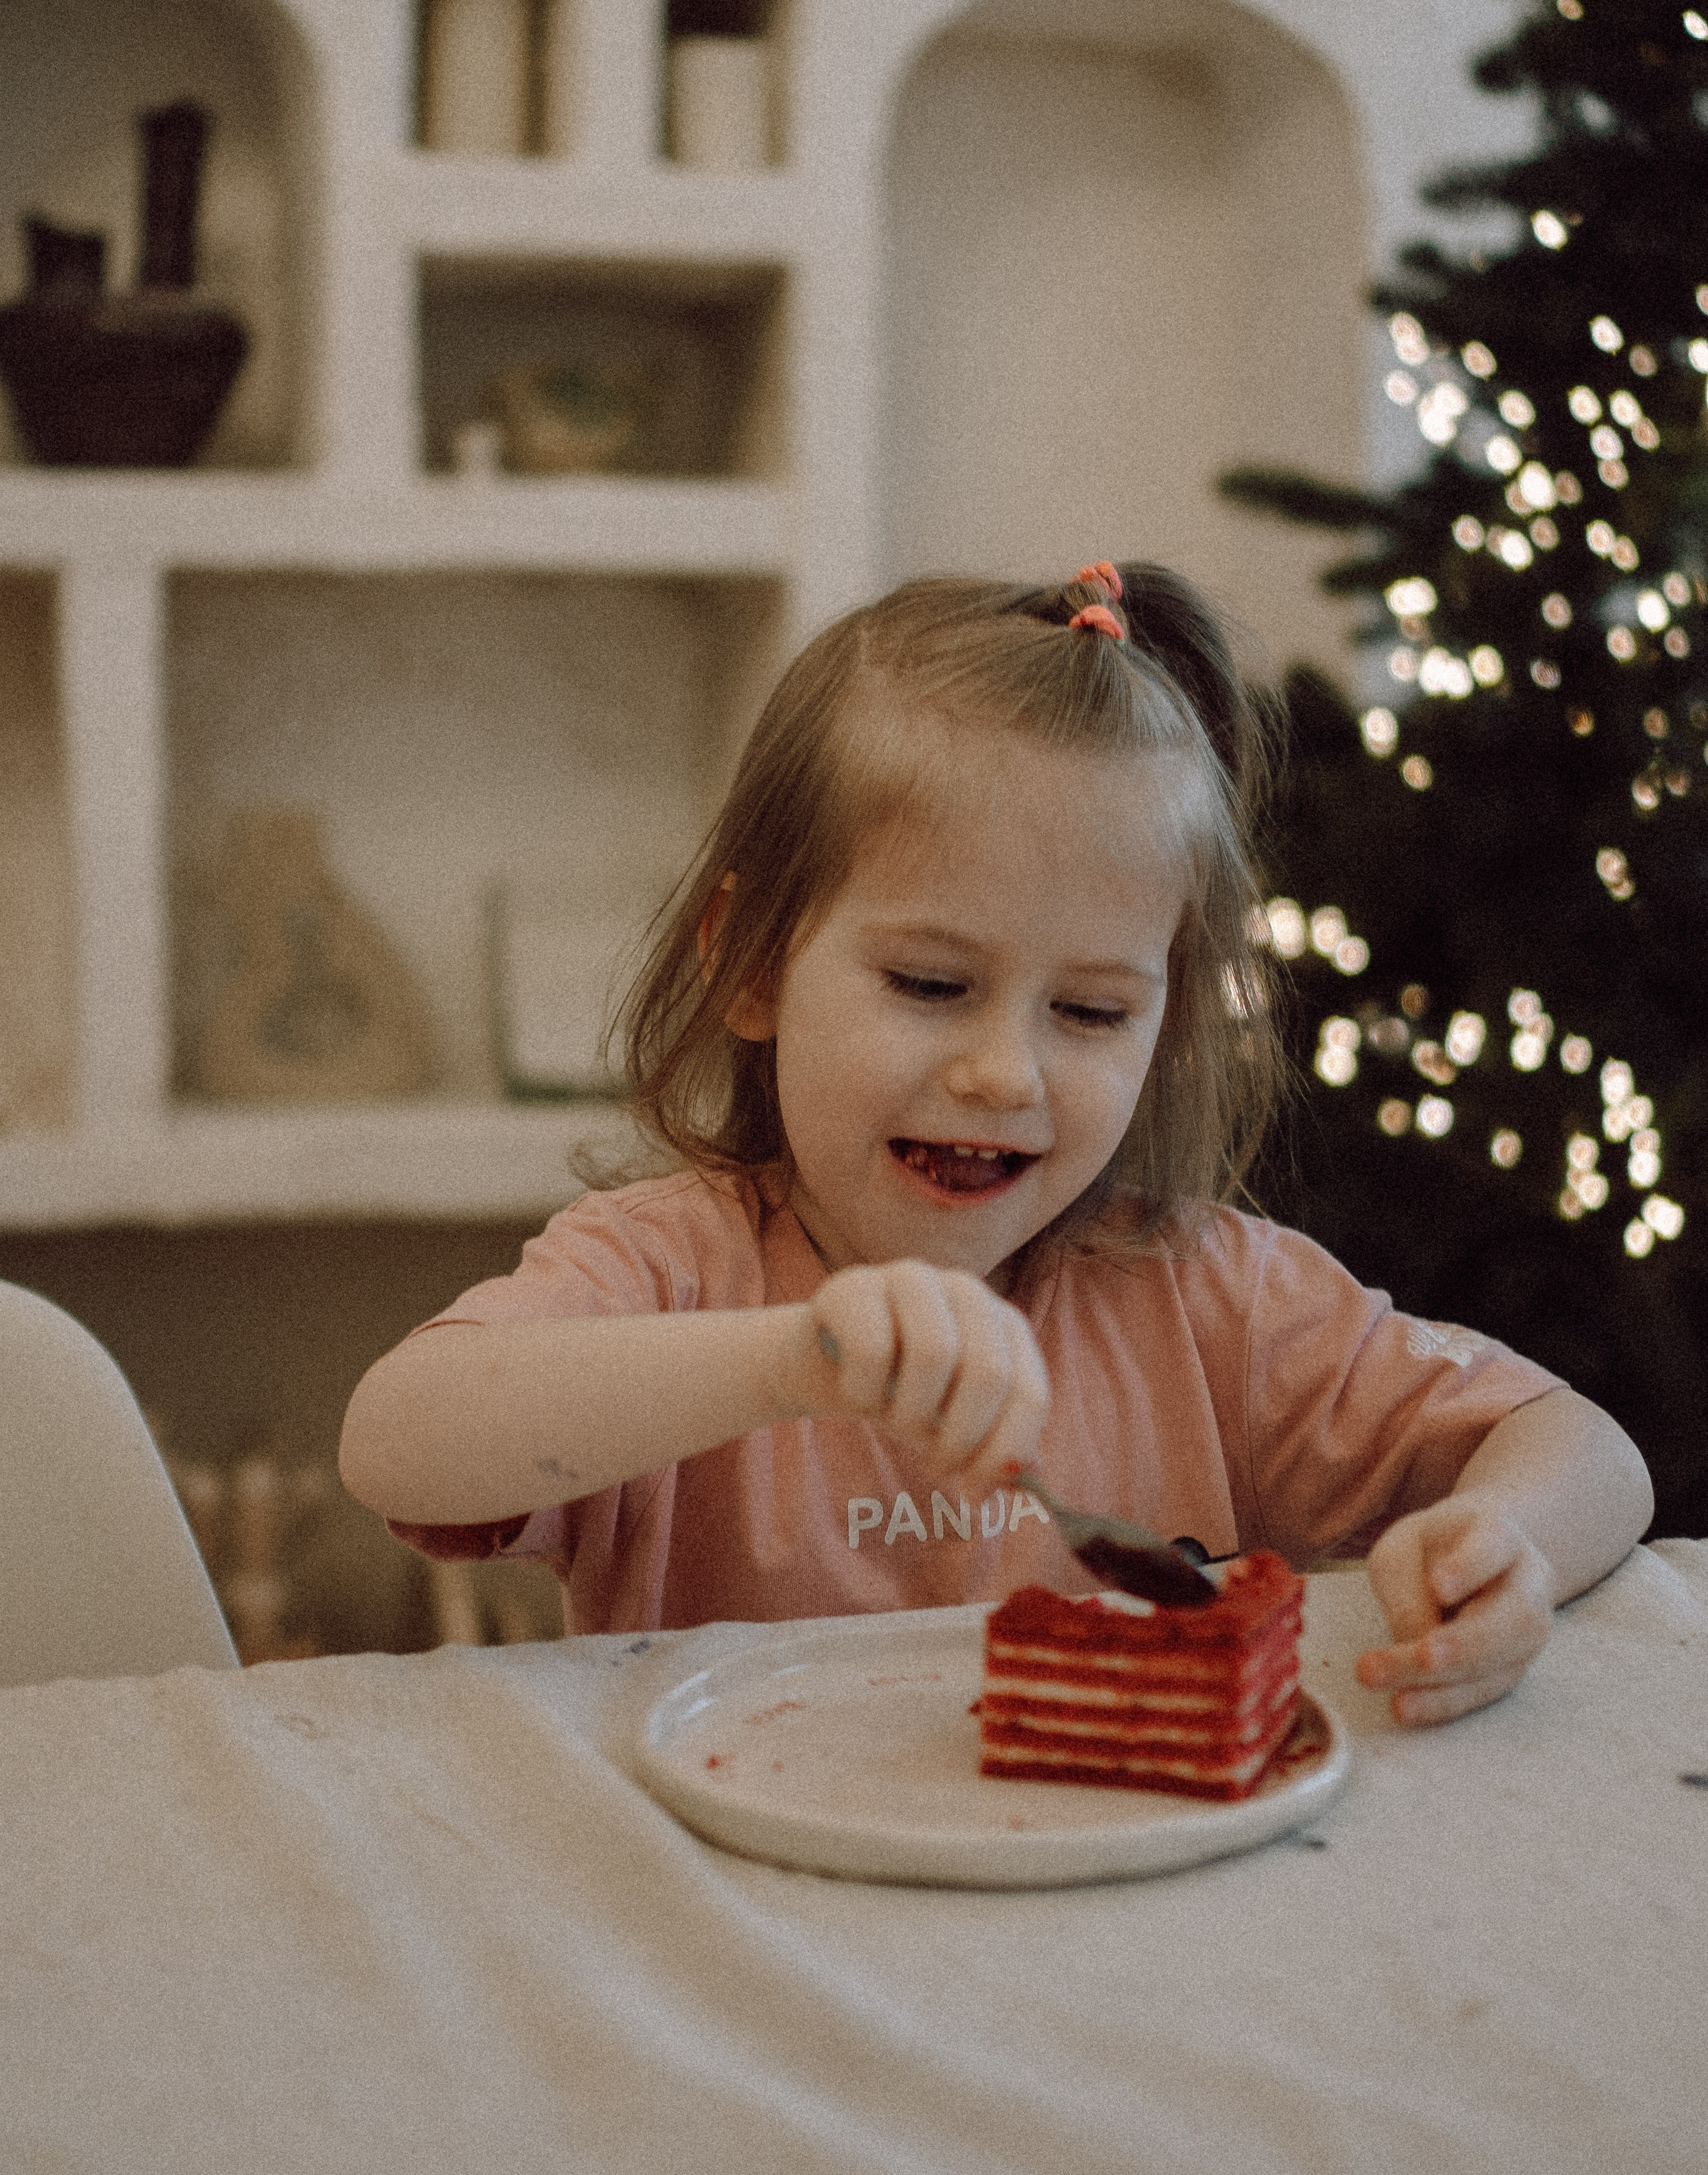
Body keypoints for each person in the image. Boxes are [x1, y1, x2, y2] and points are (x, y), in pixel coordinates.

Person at [339, 561, 1653, 1724]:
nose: (999, 1072)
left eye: (1088, 1011)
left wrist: (1501, 1543)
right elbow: (396, 1441)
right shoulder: (675, 1270)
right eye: (927, 985)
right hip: (750, 1930)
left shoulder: (1211, 1304)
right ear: (749, 965)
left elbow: (1582, 1446)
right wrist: (788, 1361)